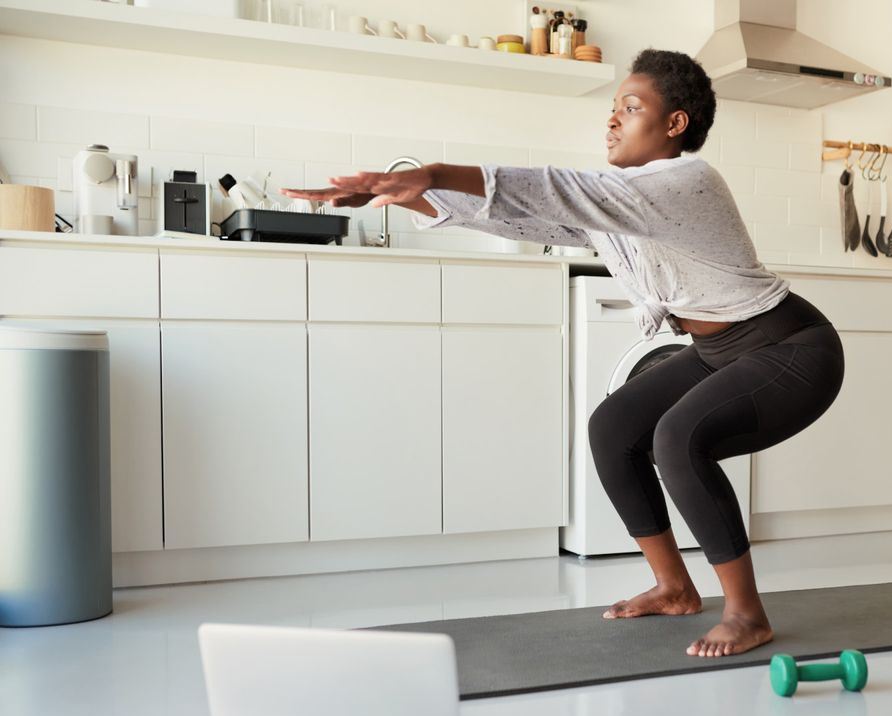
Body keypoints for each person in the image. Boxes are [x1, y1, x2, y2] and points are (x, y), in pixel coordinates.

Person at [283, 49, 844, 658]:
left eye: (630, 109)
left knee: (678, 437)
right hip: (720, 351)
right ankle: (673, 587)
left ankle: (746, 613)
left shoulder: (689, 180)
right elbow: (523, 218)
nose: (612, 121)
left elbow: (562, 187)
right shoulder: (617, 205)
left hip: (789, 348)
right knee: (614, 427)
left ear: (674, 124)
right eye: (612, 109)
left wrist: (438, 171)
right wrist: (414, 196)